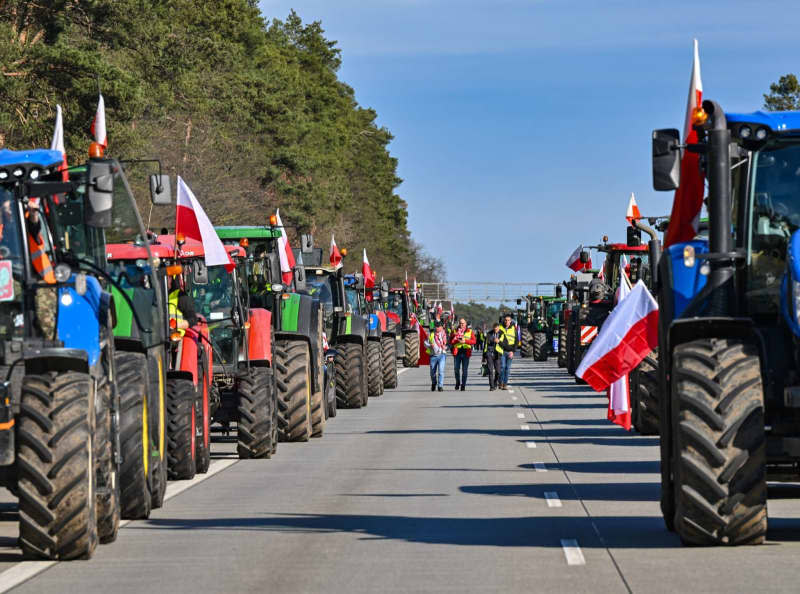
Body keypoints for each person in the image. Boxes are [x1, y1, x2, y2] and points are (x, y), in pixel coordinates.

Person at [450, 318, 476, 391]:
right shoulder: (455, 331)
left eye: (463, 323)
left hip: (466, 352)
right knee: (456, 369)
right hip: (457, 352)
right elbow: (450, 342)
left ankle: (463, 385)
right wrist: (456, 340)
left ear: (466, 324)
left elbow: (474, 341)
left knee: (465, 370)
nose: (462, 325)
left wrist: (465, 341)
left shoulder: (470, 331)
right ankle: (457, 382)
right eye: (460, 323)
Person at [426, 322, 448, 392]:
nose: (437, 328)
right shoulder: (431, 334)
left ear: (442, 327)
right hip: (433, 355)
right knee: (432, 372)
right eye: (436, 326)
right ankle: (434, 382)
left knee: (441, 371)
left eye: (439, 326)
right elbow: (425, 343)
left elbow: (449, 343)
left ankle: (440, 386)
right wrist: (429, 345)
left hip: (442, 355)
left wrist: (446, 347)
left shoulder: (444, 334)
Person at [498, 313, 517, 390]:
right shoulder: (500, 328)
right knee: (502, 367)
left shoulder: (513, 329)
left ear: (510, 321)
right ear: (503, 320)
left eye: (508, 320)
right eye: (505, 320)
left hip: (510, 352)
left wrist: (513, 351)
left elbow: (516, 341)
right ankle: (501, 382)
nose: (507, 322)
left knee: (507, 368)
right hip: (502, 351)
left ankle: (505, 384)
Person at [484, 322, 503, 390]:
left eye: (497, 328)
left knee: (498, 371)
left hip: (497, 354)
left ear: (499, 327)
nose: (495, 329)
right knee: (490, 371)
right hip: (489, 353)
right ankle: (491, 386)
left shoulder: (502, 333)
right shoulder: (489, 333)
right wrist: (484, 356)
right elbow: (485, 345)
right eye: (494, 328)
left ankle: (495, 382)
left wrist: (499, 342)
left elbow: (504, 344)